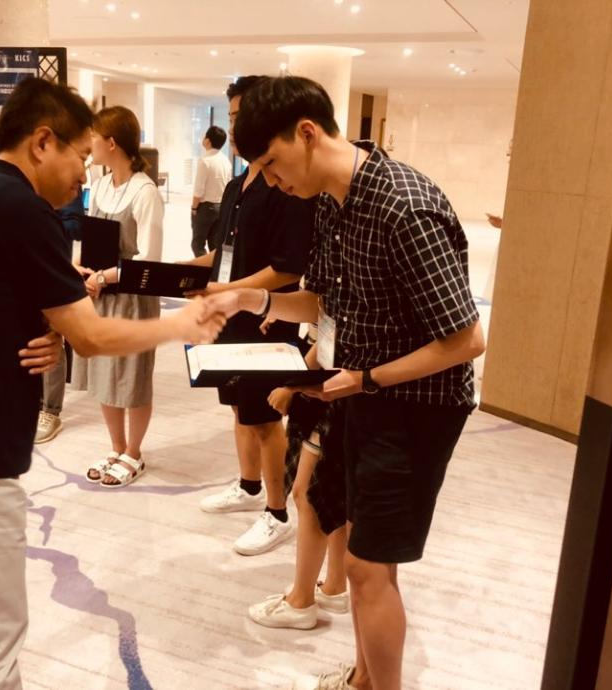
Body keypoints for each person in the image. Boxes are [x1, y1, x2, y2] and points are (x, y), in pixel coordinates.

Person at [0, 77, 223, 690]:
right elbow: (90, 334)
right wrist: (183, 324)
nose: (83, 175)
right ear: (43, 142)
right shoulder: (20, 208)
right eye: (80, 155)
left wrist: (42, 328)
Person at [209, 75, 486, 690]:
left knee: (365, 567)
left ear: (307, 133)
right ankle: (364, 677)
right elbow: (324, 302)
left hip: (416, 409)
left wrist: (365, 379)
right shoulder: (332, 203)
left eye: (273, 163)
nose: (272, 180)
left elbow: (467, 339)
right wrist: (253, 299)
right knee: (359, 550)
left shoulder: (404, 206)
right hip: (363, 394)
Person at [186, 76, 315, 557]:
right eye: (233, 117)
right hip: (231, 312)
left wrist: (230, 292)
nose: (237, 127)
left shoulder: (285, 186)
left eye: (243, 117)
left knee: (265, 417)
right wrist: (183, 271)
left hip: (267, 316)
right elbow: (223, 254)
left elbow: (288, 268)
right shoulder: (238, 184)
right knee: (239, 407)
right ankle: (249, 485)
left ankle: (277, 513)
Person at [70, 106, 164, 488]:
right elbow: (90, 236)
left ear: (111, 143)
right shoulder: (101, 184)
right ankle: (117, 447)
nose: (88, 143)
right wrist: (82, 268)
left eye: (93, 136)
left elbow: (151, 259)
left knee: (133, 376)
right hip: (101, 294)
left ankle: (134, 453)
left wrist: (106, 276)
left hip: (133, 297)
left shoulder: (145, 191)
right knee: (104, 373)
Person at [248, 325, 349, 631]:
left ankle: (301, 601)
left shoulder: (351, 298)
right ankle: (335, 586)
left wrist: (292, 385)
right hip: (333, 383)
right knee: (334, 495)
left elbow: (335, 329)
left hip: (333, 390)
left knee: (309, 495)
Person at [34, 186, 85, 444]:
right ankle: (33, 404)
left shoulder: (63, 180)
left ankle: (51, 411)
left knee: (52, 335)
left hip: (54, 269)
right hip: (21, 268)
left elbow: (76, 224)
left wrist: (40, 225)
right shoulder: (17, 183)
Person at [190, 124, 231, 256]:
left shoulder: (205, 161)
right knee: (215, 245)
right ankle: (214, 268)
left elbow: (199, 190)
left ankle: (204, 268)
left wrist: (194, 208)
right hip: (221, 207)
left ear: (207, 141)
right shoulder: (226, 161)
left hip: (205, 209)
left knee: (197, 244)